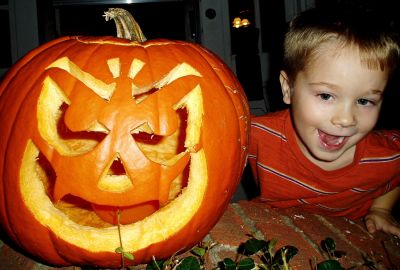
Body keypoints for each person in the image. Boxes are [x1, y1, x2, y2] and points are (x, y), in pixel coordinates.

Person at [248, 5, 400, 237]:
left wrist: (381, 209)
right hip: (273, 231)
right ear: (288, 88)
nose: (346, 119)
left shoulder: (384, 154)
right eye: (326, 96)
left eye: (364, 101)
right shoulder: (257, 135)